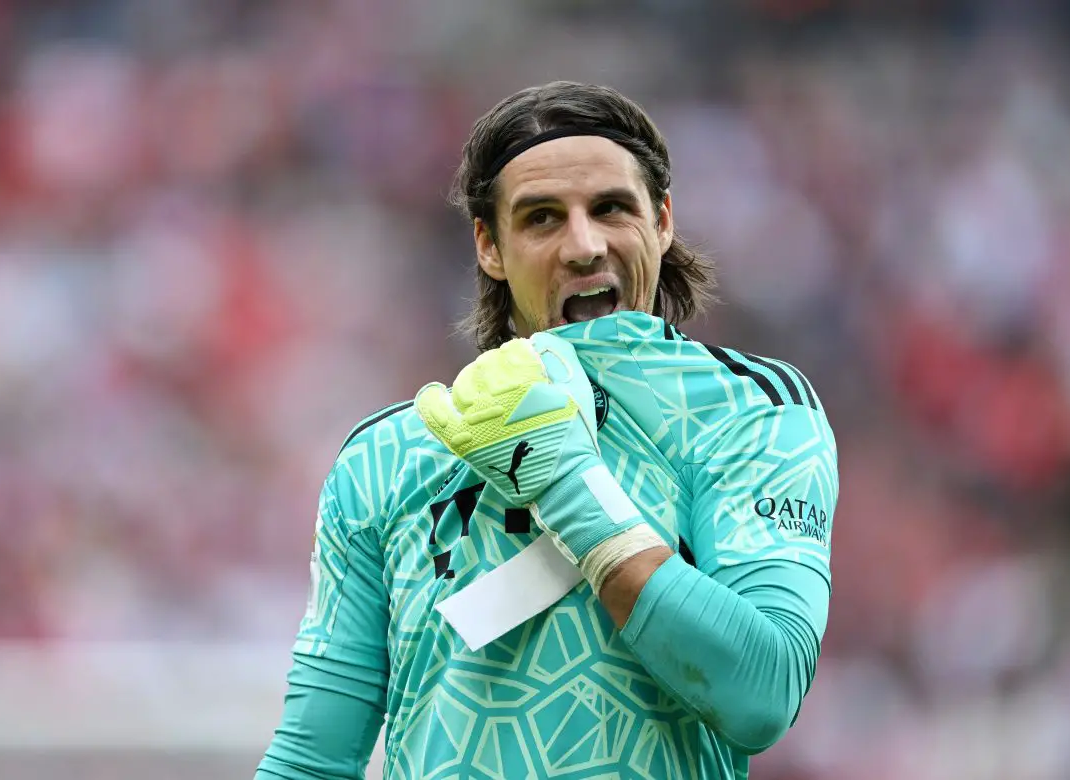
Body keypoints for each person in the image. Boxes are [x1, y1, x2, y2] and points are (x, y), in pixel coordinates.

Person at [257, 81, 838, 780]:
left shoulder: (748, 409)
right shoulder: (387, 455)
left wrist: (564, 483)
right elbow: (312, 760)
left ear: (662, 222)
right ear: (489, 247)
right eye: (542, 218)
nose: (584, 247)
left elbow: (763, 693)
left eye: (611, 208)